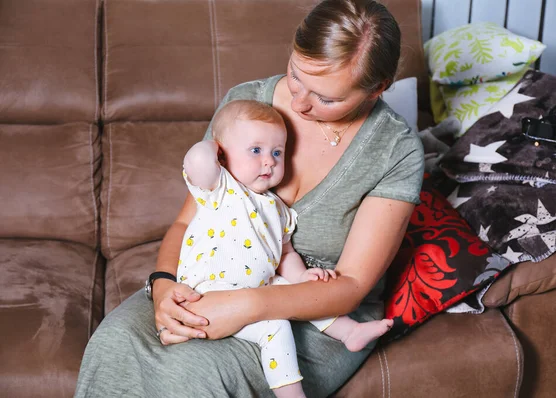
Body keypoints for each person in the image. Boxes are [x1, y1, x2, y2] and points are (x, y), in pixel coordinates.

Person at [75, 0, 424, 396]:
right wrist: (163, 287)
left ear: (377, 89)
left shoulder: (395, 150)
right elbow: (186, 221)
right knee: (113, 344)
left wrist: (244, 305)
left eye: (326, 99)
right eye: (296, 75)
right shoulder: (245, 106)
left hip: (314, 310)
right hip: (210, 277)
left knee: (192, 374)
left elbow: (352, 284)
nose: (299, 103)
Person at [178, 99, 394, 397]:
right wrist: (213, 150)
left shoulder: (278, 208)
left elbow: (286, 254)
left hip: (261, 287)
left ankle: (349, 332)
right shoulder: (220, 188)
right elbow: (197, 162)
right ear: (223, 154)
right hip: (210, 294)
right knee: (275, 326)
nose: (269, 161)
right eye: (256, 150)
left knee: (301, 296)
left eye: (277, 152)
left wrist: (302, 278)